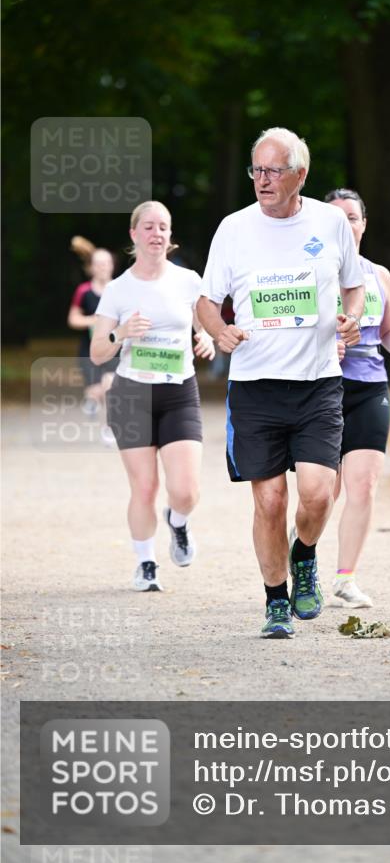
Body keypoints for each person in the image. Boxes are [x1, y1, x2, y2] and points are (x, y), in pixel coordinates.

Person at [197, 128, 365, 639]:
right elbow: (206, 300)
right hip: (255, 384)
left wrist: (352, 318)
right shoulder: (234, 228)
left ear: (301, 175)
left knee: (318, 494)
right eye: (256, 170)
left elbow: (354, 286)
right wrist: (218, 329)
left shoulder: (331, 222)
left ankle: (306, 554)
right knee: (269, 501)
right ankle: (275, 601)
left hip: (317, 382)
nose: (262, 180)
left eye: (273, 170)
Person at [90, 201, 215, 592]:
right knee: (143, 487)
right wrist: (121, 333)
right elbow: (98, 351)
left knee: (186, 491)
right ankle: (146, 562)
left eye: (163, 227)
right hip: (132, 394)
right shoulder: (118, 290)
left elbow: (205, 322)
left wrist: (207, 337)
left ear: (169, 235)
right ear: (134, 234)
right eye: (148, 226)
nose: (156, 233)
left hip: (178, 392)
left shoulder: (189, 281)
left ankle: (177, 522)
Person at [324, 188, 390, 607]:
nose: (346, 224)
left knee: (361, 486)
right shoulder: (311, 274)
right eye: (337, 217)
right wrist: (327, 345)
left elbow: (388, 329)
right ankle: (303, 548)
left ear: (364, 224)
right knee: (322, 493)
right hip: (323, 387)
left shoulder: (379, 275)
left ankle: (346, 579)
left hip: (370, 386)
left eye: (352, 217)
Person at [68, 239, 118, 438]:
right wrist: (92, 321)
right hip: (88, 350)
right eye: (98, 264)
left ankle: (109, 428)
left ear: (112, 265)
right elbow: (73, 319)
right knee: (96, 390)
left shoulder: (120, 289)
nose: (102, 268)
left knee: (110, 385)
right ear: (91, 268)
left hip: (114, 348)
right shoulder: (84, 291)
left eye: (106, 263)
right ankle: (91, 401)